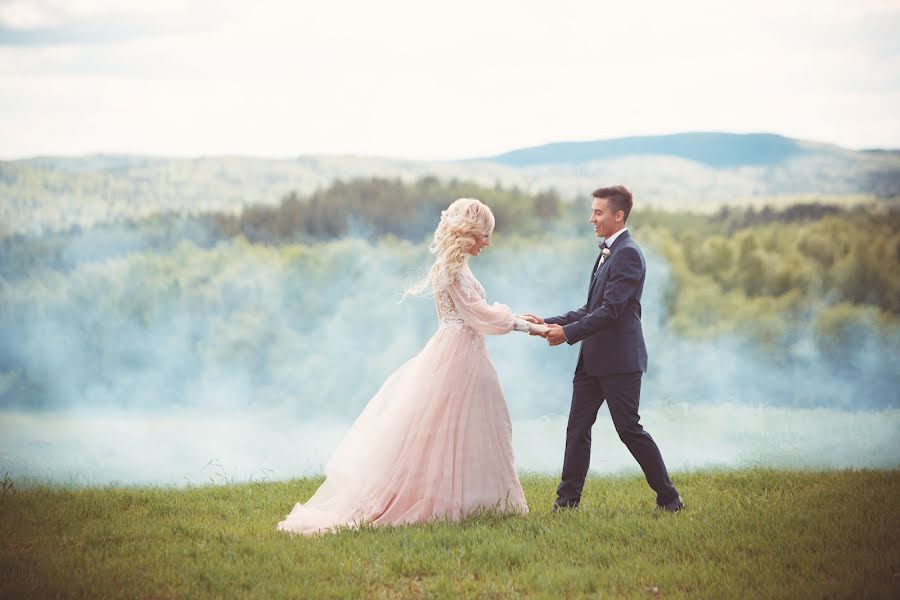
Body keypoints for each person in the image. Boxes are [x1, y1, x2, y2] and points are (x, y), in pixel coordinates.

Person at [277, 198, 545, 535]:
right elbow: (480, 315)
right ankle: (456, 501)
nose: (487, 242)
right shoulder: (453, 270)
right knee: (452, 428)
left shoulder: (456, 267)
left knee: (475, 425)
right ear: (469, 233)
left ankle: (480, 500)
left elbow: (477, 311)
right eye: (484, 235)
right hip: (458, 354)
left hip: (462, 351)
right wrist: (528, 327)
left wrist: (519, 318)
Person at [524, 185, 684, 513]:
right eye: (593, 211)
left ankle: (670, 499)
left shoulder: (627, 253)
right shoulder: (606, 252)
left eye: (599, 212)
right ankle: (566, 504)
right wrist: (546, 322)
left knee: (629, 430)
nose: (592, 218)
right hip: (591, 361)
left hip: (619, 362)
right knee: (577, 428)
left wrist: (566, 334)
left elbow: (610, 311)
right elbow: (590, 308)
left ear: (618, 215)